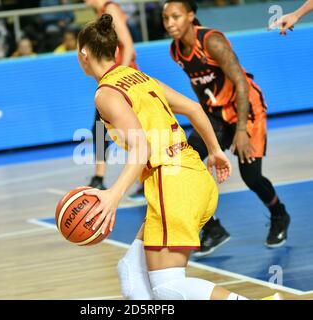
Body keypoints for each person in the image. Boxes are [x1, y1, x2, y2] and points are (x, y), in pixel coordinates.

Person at [77, 13, 281, 301]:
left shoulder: (105, 94)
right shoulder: (139, 77)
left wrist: (113, 195)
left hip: (171, 184)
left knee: (168, 287)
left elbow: (141, 148)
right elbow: (195, 109)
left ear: (83, 53)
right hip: (193, 175)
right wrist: (214, 151)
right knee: (130, 270)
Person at [162, 0, 291, 257]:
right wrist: (202, 122)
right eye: (166, 19)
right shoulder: (176, 51)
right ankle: (212, 228)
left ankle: (279, 214)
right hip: (216, 114)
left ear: (190, 16)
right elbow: (201, 87)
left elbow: (241, 83)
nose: (169, 23)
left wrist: (241, 130)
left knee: (251, 177)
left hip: (247, 108)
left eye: (175, 17)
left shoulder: (212, 41)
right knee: (183, 163)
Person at [83, 0, 144, 202]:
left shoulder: (110, 9)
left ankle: (103, 177)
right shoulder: (101, 11)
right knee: (101, 129)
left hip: (123, 83)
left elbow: (127, 45)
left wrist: (121, 76)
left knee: (127, 133)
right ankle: (100, 177)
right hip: (114, 81)